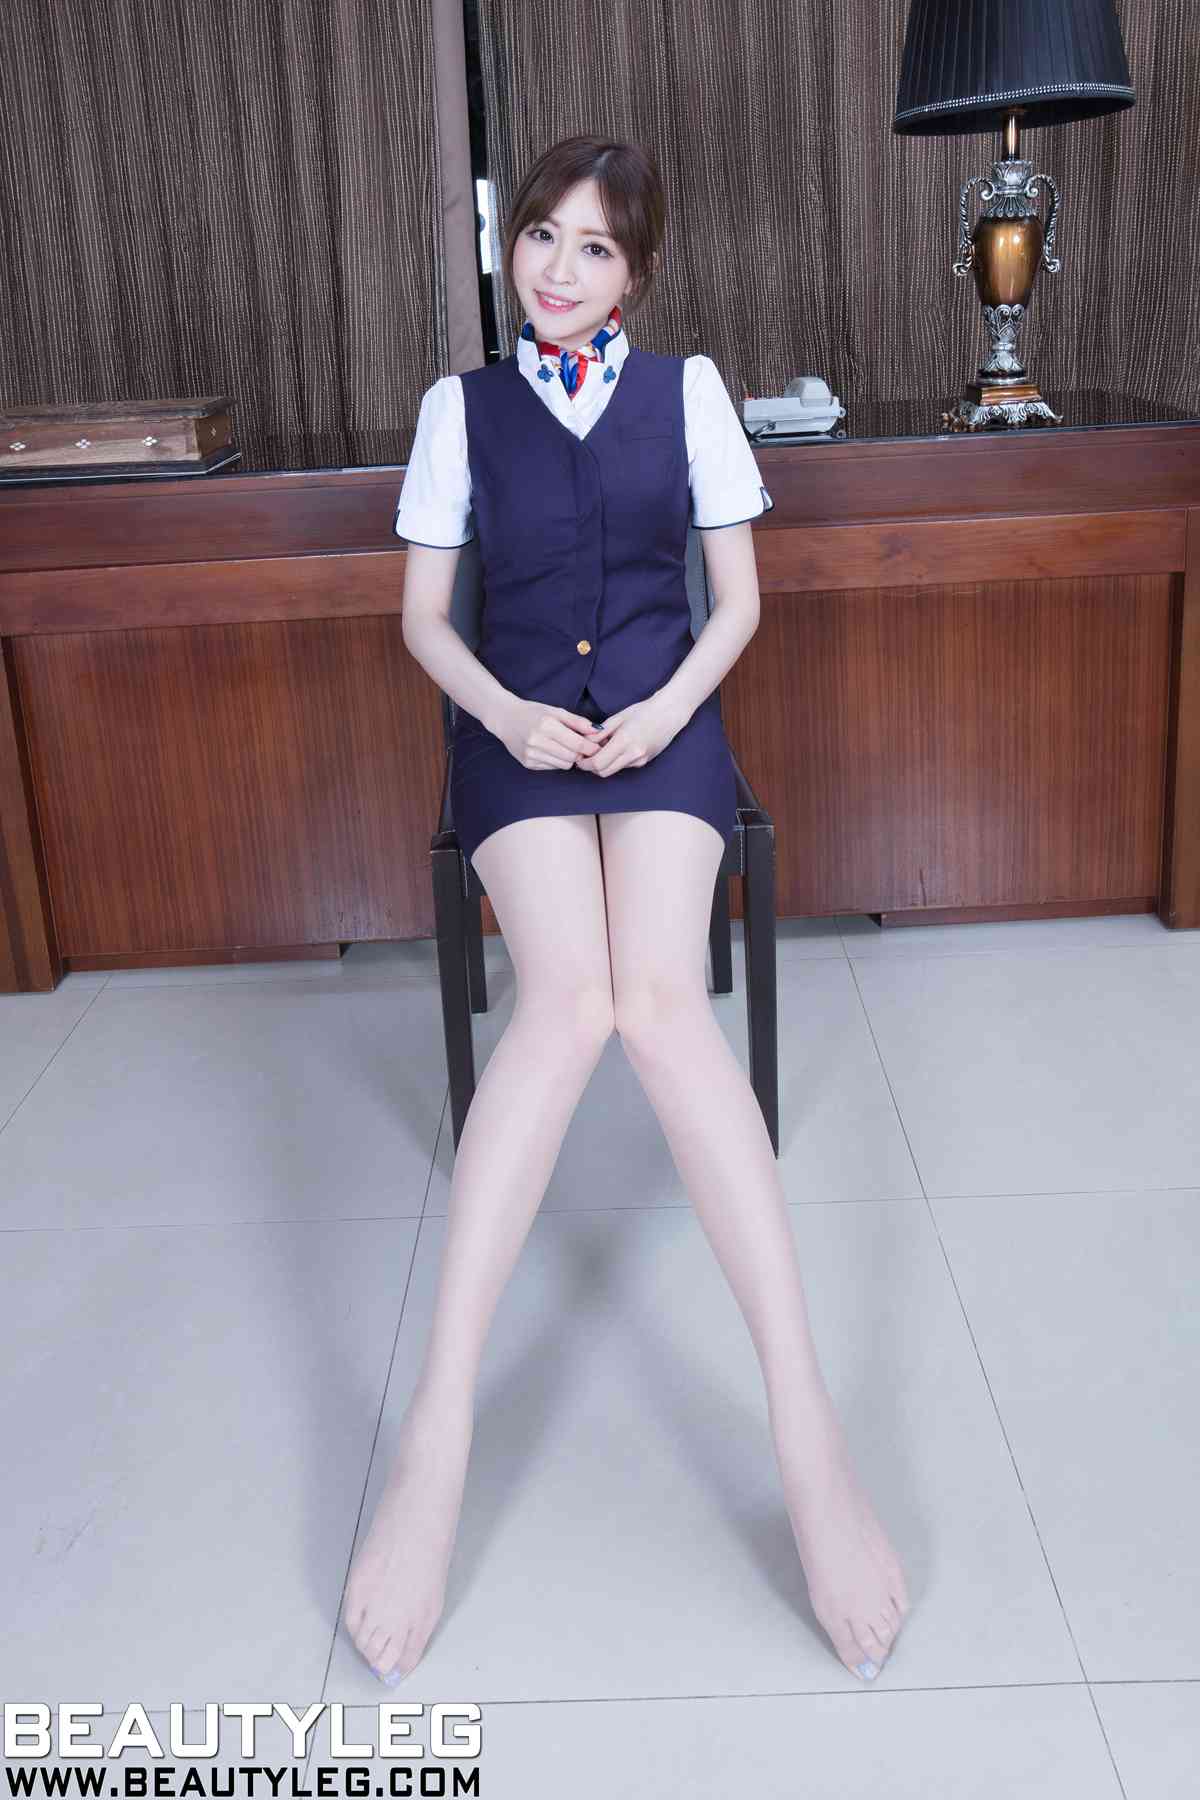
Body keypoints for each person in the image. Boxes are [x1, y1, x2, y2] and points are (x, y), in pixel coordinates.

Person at [341, 134, 910, 1688]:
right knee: (569, 1002)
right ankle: (437, 1439)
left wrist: (661, 713)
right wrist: (510, 719)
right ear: (511, 245)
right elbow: (422, 620)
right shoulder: (459, 411)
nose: (558, 266)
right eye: (541, 234)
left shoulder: (691, 393)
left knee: (658, 1004)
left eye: (594, 246)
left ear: (637, 273)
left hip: (668, 726)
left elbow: (739, 601)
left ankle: (806, 1430)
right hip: (514, 736)